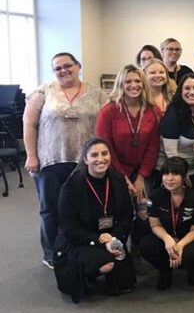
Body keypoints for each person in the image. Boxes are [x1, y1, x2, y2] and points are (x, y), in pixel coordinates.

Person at [23, 52, 108, 268]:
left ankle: (82, 249)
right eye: (58, 68)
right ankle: (52, 253)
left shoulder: (97, 93)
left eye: (67, 65)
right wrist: (31, 155)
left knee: (84, 208)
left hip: (85, 161)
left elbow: (105, 124)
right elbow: (29, 124)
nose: (63, 70)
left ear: (78, 66)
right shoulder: (43, 92)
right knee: (50, 210)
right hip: (50, 160)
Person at [56, 138, 136, 298]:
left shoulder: (118, 179)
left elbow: (127, 216)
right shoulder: (71, 186)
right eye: (94, 155)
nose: (101, 159)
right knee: (107, 264)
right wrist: (100, 240)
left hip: (110, 236)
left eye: (105, 153)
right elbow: (70, 229)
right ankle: (86, 274)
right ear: (85, 160)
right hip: (79, 240)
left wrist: (114, 238)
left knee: (127, 284)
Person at [95, 64, 162, 253]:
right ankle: (117, 253)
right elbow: (105, 147)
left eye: (137, 81)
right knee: (119, 213)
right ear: (120, 84)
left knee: (143, 213)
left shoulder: (153, 110)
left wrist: (141, 177)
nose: (134, 85)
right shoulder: (108, 111)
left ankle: (138, 252)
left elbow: (153, 146)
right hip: (115, 171)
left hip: (142, 172)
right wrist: (123, 178)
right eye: (128, 81)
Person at [141, 157, 194, 290]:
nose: (169, 178)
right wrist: (167, 239)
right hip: (166, 236)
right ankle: (165, 271)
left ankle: (193, 272)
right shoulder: (155, 196)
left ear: (184, 177)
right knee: (146, 245)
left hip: (190, 238)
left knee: (192, 256)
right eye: (166, 174)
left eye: (175, 174)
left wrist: (179, 246)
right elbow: (155, 225)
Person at [158, 73, 194, 197]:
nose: (192, 92)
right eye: (187, 88)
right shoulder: (173, 113)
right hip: (175, 171)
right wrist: (182, 175)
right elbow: (171, 151)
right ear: (180, 91)